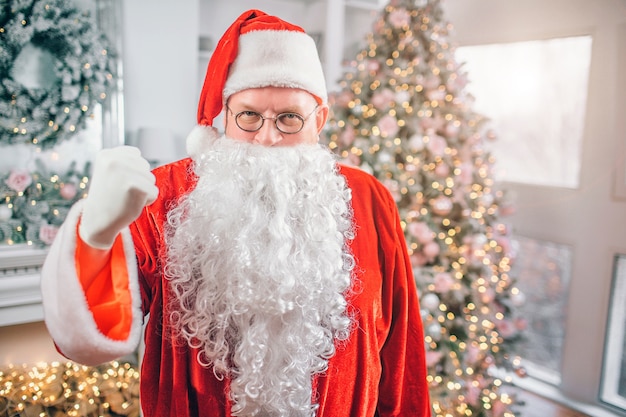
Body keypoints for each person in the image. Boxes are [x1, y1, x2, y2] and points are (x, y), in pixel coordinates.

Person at [41, 9, 431, 417]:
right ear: (224, 116)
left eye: (289, 118)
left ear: (320, 120)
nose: (267, 136)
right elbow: (90, 339)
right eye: (249, 115)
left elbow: (401, 354)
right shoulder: (165, 194)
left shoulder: (369, 198)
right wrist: (95, 238)